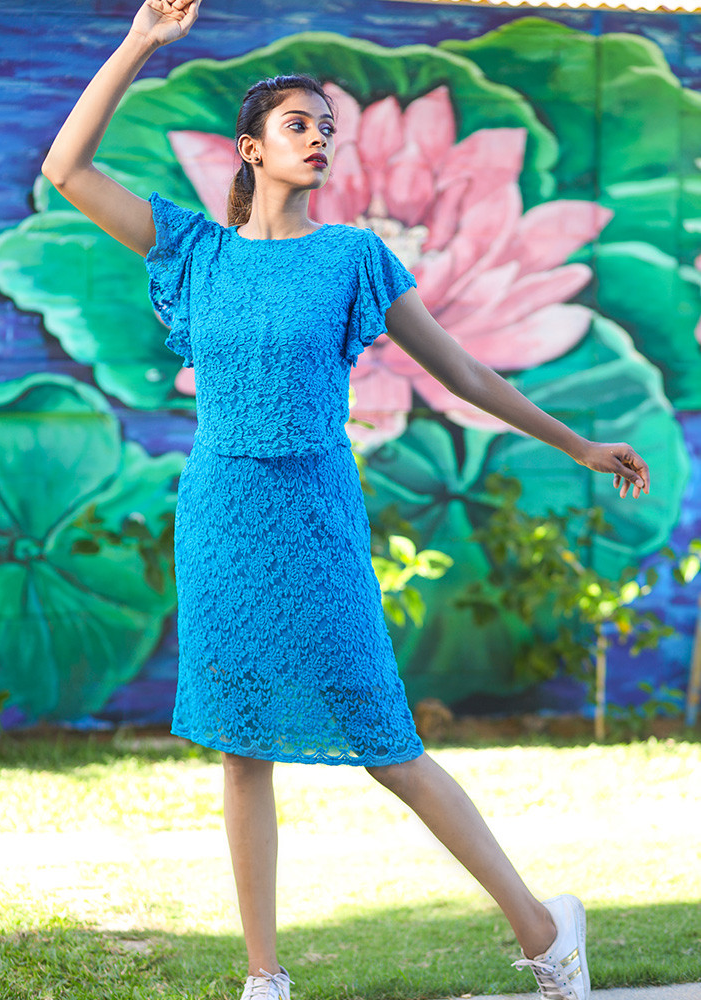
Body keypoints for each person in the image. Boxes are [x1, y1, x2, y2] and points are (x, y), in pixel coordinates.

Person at [41, 3, 651, 1000]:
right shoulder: (192, 251)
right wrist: (142, 40)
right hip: (221, 515)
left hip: (315, 513)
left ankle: (547, 933)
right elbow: (66, 169)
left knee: (385, 743)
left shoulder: (354, 257)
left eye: (328, 126)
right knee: (240, 749)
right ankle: (265, 978)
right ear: (250, 149)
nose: (320, 137)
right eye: (299, 124)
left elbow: (464, 373)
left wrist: (577, 443)